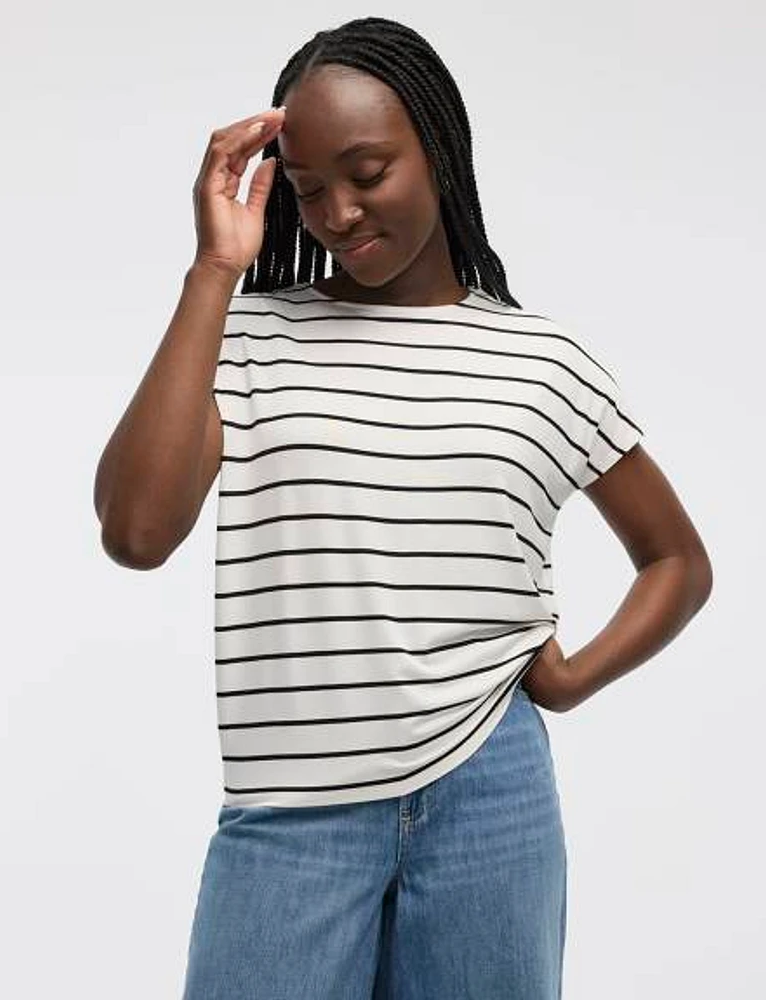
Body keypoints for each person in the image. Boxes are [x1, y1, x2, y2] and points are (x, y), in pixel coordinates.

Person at [93, 15, 713, 1000]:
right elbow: (135, 532)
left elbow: (676, 560)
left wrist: (569, 680)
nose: (337, 212)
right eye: (308, 188)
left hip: (489, 797)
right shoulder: (247, 334)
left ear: (439, 149)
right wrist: (213, 270)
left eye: (368, 172)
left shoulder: (542, 364)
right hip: (292, 811)